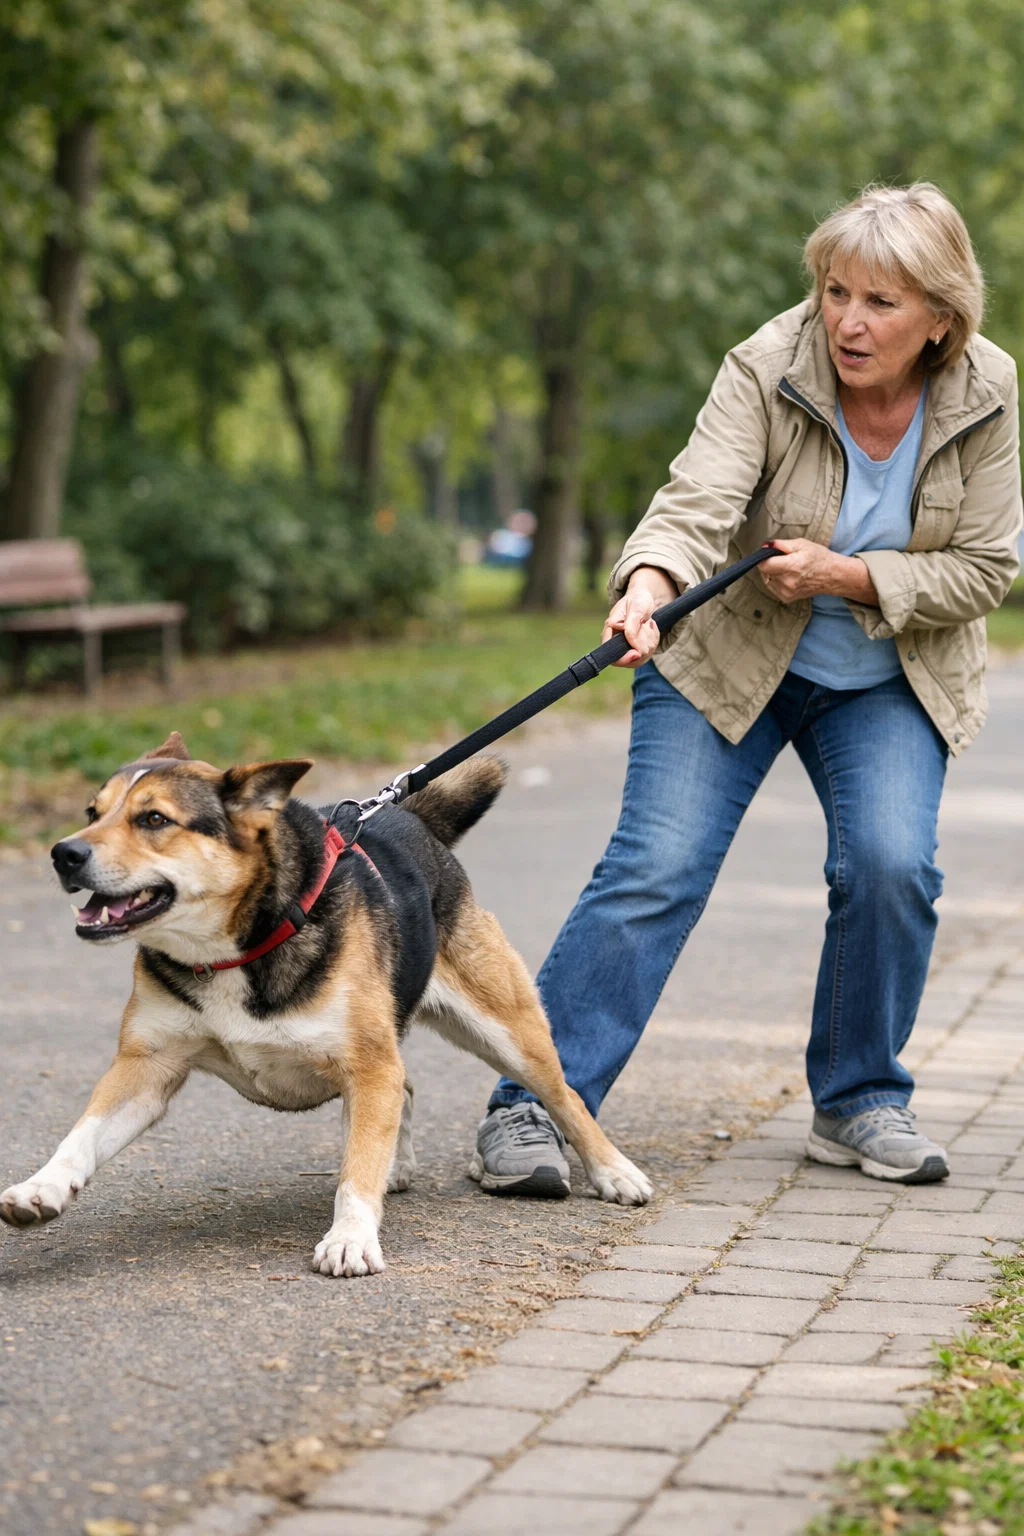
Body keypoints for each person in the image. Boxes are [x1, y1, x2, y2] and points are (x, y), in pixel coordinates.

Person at [470, 182, 1022, 1197]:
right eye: (836, 292)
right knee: (657, 868)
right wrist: (646, 587)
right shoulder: (768, 364)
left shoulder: (988, 387)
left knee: (893, 869)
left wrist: (845, 575)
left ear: (941, 320)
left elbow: (987, 568)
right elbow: (697, 499)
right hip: (729, 657)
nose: (848, 322)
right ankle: (534, 1107)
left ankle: (858, 1099)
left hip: (889, 674)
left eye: (881, 303)